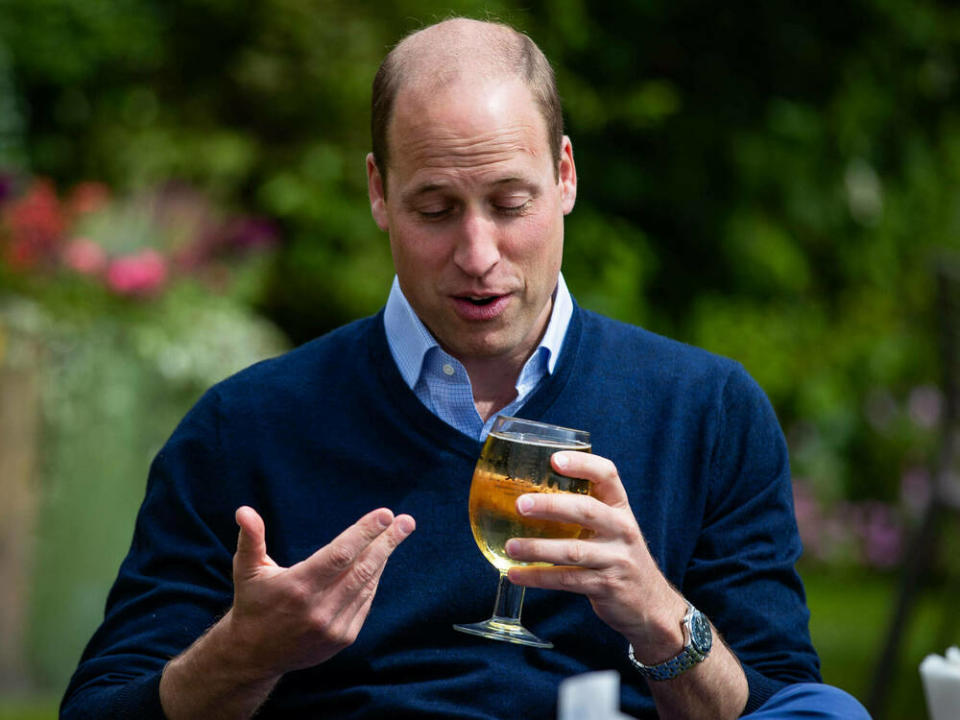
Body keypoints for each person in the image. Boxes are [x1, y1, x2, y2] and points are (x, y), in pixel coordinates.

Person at [61, 17, 871, 720]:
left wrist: (658, 615)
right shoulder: (245, 429)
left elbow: (784, 707)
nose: (478, 256)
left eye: (511, 204)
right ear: (379, 193)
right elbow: (102, 706)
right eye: (436, 209)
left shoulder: (708, 413)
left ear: (565, 176)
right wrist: (245, 652)